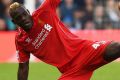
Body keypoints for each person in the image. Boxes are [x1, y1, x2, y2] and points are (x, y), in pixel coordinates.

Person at [9, 1, 120, 80]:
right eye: (19, 18)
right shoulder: (21, 41)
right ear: (14, 22)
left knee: (116, 47)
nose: (23, 18)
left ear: (28, 11)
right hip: (71, 71)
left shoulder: (44, 11)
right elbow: (23, 68)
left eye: (24, 14)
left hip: (85, 50)